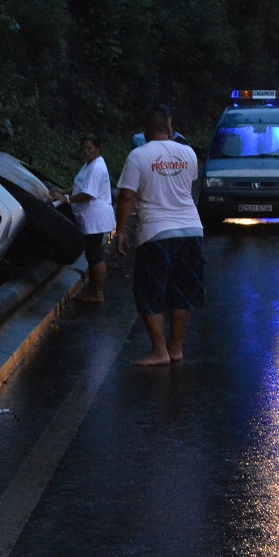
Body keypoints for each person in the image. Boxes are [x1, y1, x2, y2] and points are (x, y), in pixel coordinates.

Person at [116, 104, 204, 366]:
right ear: (170, 126)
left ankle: (159, 351)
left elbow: (127, 196)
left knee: (151, 291)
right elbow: (186, 186)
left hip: (156, 232)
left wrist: (120, 230)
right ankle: (175, 348)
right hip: (191, 230)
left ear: (144, 131)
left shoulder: (138, 156)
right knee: (182, 290)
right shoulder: (188, 154)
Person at [51, 135, 116, 302]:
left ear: (97, 149)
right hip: (88, 217)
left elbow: (88, 193)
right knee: (91, 254)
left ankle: (98, 292)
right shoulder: (89, 165)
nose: (86, 152)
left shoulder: (97, 168)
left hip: (95, 217)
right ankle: (93, 289)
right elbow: (80, 185)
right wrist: (63, 191)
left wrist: (67, 199)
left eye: (90, 148)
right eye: (84, 148)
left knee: (95, 254)